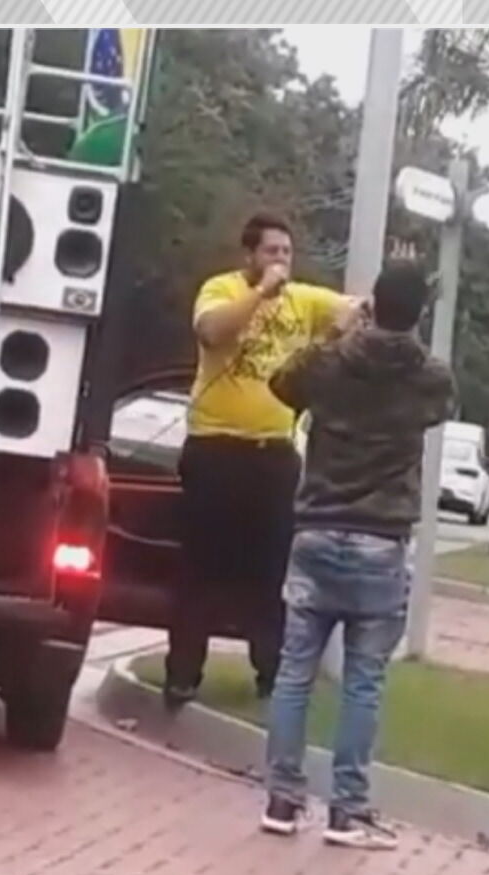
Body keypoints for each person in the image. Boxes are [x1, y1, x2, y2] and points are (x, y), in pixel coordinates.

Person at [258, 260, 455, 850]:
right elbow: (438, 408)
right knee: (363, 683)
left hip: (317, 528)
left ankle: (282, 801)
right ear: (419, 312)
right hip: (381, 540)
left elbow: (282, 385)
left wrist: (340, 332)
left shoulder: (331, 361)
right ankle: (347, 812)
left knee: (295, 672)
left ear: (372, 302)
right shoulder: (430, 376)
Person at [165, 212, 363, 708]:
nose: (280, 262)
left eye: (286, 254)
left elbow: (359, 310)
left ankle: (270, 674)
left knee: (271, 571)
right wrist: (260, 295)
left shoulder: (304, 300)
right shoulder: (222, 290)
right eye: (271, 252)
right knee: (200, 570)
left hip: (272, 454)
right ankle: (183, 673)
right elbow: (212, 333)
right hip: (215, 448)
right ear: (249, 256)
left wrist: (349, 320)